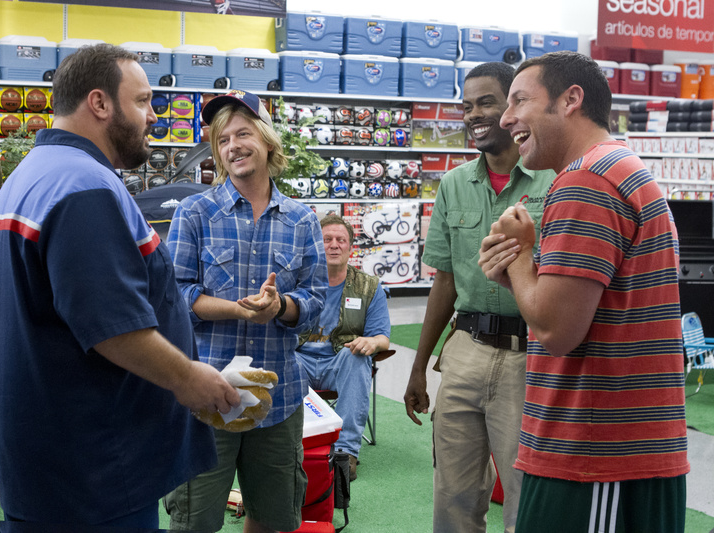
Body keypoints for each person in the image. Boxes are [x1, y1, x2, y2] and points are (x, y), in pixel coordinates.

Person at [0, 44, 240, 528]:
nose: (152, 117)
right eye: (142, 101)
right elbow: (111, 326)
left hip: (51, 458)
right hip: (94, 471)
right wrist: (189, 379)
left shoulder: (30, 176)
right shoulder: (84, 187)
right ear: (100, 103)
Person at [479, 51, 689, 533]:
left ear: (571, 99)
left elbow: (555, 330)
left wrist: (519, 259)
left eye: (519, 100)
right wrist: (519, 270)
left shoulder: (586, 182)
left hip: (594, 452)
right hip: (623, 448)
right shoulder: (618, 167)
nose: (505, 117)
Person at [164, 89, 328, 533]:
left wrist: (282, 307)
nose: (232, 146)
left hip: (279, 398)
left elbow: (317, 305)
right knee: (193, 521)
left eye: (242, 133)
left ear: (268, 140)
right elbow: (173, 296)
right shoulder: (194, 213)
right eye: (222, 140)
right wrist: (240, 311)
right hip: (206, 393)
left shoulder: (302, 220)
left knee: (273, 520)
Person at [402, 62, 556, 533]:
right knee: (452, 496)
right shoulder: (452, 184)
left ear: (514, 105)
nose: (474, 114)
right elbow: (444, 283)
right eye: (466, 106)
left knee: (524, 495)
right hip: (464, 353)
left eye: (486, 102)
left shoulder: (554, 181)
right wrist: (417, 367)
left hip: (528, 358)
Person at [296, 214, 391, 481]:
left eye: (341, 240)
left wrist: (371, 342)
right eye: (327, 239)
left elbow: (383, 338)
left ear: (350, 248)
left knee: (357, 357)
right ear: (316, 244)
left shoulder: (369, 287)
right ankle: (290, 446)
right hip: (299, 359)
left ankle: (344, 453)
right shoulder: (297, 281)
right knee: (282, 360)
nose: (334, 245)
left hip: (339, 362)